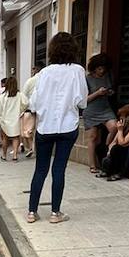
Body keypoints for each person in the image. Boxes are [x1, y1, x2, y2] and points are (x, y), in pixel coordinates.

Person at [26, 32, 88, 223]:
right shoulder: (77, 71)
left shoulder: (44, 73)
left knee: (40, 169)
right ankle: (55, 213)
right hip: (68, 126)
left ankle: (31, 212)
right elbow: (82, 101)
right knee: (59, 169)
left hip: (45, 127)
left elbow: (34, 102)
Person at [83, 53, 118, 174]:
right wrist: (98, 93)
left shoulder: (108, 75)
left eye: (104, 68)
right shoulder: (87, 79)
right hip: (91, 110)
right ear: (94, 67)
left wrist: (109, 92)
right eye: (99, 68)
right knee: (93, 137)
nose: (102, 71)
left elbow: (111, 88)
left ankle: (107, 145)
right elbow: (84, 99)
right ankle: (92, 165)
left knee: (114, 127)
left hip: (105, 108)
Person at [100, 104, 129, 179]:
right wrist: (109, 150)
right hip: (122, 149)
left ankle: (118, 173)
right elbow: (114, 141)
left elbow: (123, 142)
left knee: (116, 149)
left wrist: (120, 130)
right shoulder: (124, 125)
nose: (121, 118)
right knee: (106, 146)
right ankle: (107, 170)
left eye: (123, 116)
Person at [0, 74, 25, 161]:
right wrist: (21, 110)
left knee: (5, 138)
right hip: (15, 119)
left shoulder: (3, 96)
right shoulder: (19, 95)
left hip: (5, 120)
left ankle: (4, 156)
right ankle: (15, 155)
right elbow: (26, 103)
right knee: (16, 137)